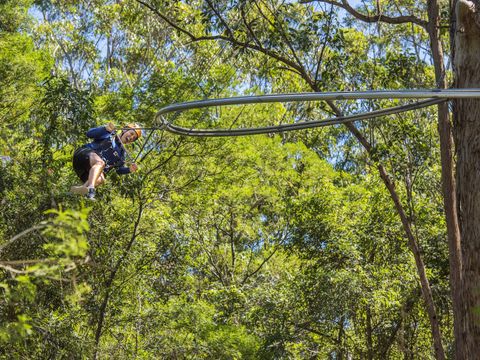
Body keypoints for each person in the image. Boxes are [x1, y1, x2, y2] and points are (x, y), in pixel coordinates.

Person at [71, 122, 141, 200]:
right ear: (124, 129)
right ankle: (91, 189)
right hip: (82, 155)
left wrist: (129, 169)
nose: (131, 137)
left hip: (85, 171)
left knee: (101, 179)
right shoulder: (110, 134)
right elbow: (89, 133)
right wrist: (105, 129)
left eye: (133, 138)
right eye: (131, 133)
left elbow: (119, 170)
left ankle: (83, 188)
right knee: (100, 163)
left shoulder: (121, 154)